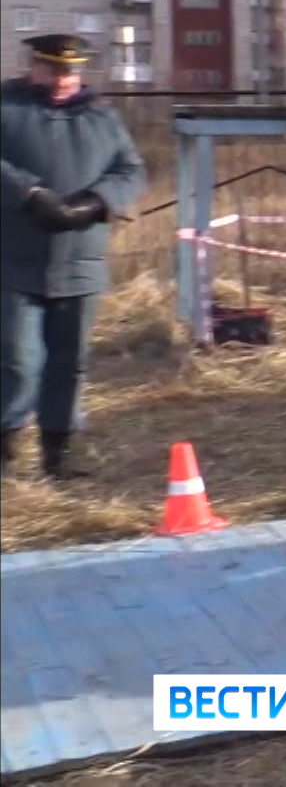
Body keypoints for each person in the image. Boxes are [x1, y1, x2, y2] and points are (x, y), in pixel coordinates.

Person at [1, 34, 147, 479]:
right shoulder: (8, 108)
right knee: (18, 360)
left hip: (80, 260)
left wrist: (96, 203)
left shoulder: (101, 118)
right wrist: (28, 193)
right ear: (35, 67)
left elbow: (131, 170)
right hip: (14, 260)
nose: (64, 79)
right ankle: (6, 449)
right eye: (55, 69)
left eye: (72, 70)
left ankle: (59, 455)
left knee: (70, 362)